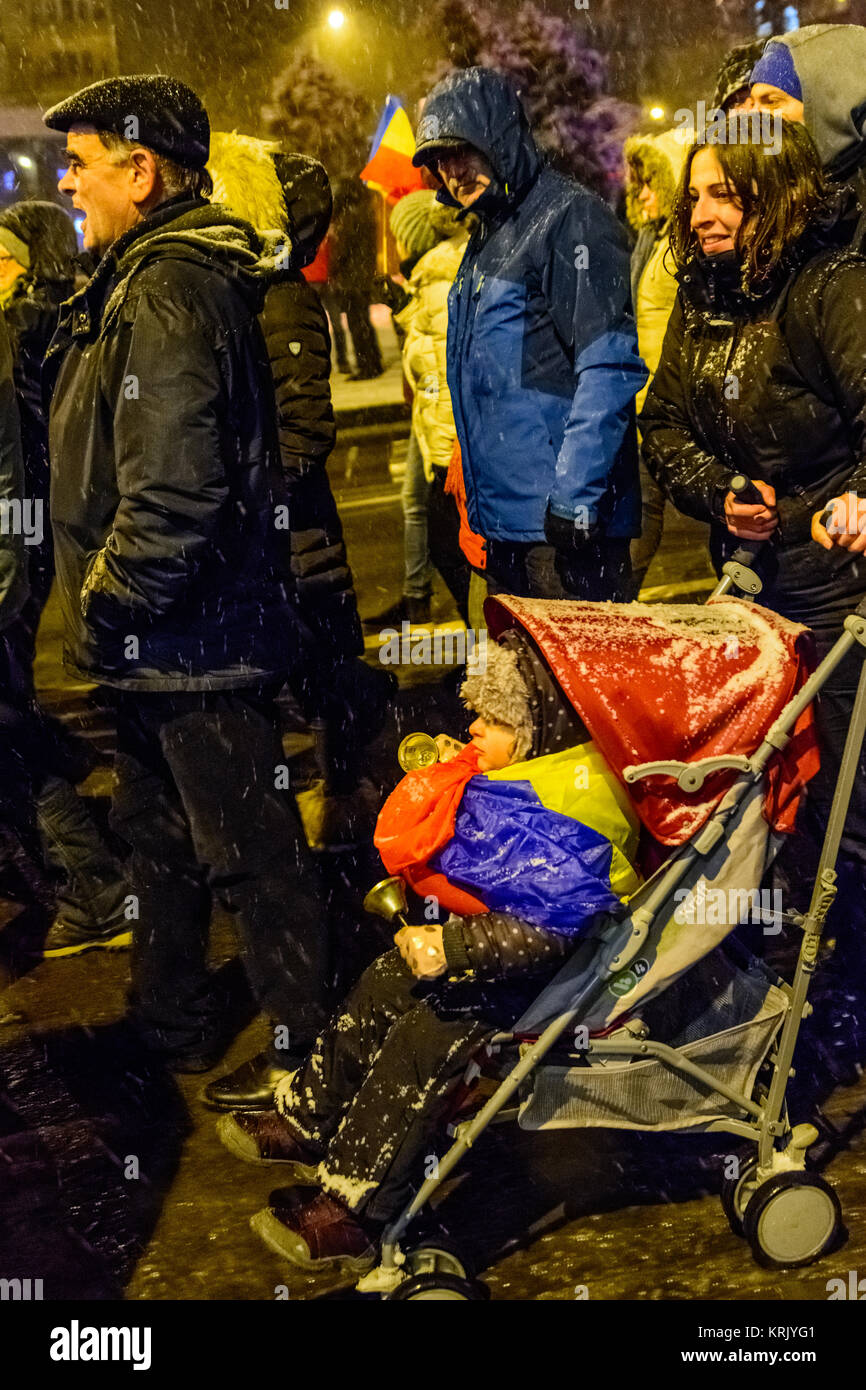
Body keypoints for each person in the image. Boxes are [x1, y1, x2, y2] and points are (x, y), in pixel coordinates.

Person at [42, 75, 330, 1074]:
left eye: (79, 163)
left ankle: (309, 1060)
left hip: (192, 640)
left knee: (251, 856)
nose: (66, 183)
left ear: (141, 172)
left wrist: (108, 596)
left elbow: (173, 491)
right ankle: (170, 1025)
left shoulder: (167, 287)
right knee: (159, 839)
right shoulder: (140, 276)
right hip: (159, 643)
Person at [216, 639, 640, 1274]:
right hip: (494, 959)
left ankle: (356, 1206)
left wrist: (451, 946)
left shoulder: (566, 816)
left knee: (425, 1039)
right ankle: (311, 1116)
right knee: (385, 980)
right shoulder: (527, 786)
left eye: (494, 721)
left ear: (539, 740)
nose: (474, 728)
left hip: (539, 979)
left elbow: (551, 931)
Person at [640, 121, 866, 975]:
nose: (701, 213)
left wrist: (855, 502)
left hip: (841, 593)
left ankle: (844, 985)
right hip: (751, 594)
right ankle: (787, 969)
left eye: (724, 195)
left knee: (848, 803)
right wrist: (722, 493)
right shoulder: (703, 297)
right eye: (694, 195)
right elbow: (663, 425)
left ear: (778, 197)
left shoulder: (831, 288)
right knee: (766, 798)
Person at [411, 67, 647, 602]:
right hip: (508, 529)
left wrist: (575, 497)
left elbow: (608, 367)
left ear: (496, 136)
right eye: (439, 160)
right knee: (517, 661)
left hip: (563, 531)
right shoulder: (488, 234)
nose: (452, 171)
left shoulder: (570, 219)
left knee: (577, 660)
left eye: (461, 150)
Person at [0, 199, 130, 956]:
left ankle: (96, 884)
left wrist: (18, 560)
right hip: (29, 536)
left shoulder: (29, 320)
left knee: (10, 734)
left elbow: (20, 459)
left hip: (25, 538)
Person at [364, 190, 472, 628]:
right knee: (424, 511)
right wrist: (405, 307)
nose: (397, 244)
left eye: (400, 234)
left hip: (443, 430)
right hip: (430, 418)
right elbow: (430, 344)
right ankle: (420, 598)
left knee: (450, 537)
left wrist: (443, 453)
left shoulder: (439, 275)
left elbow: (445, 364)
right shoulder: (429, 276)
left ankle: (476, 630)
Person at [623, 130, 690, 593]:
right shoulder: (653, 240)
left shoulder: (684, 243)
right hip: (645, 395)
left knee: (644, 504)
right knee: (640, 503)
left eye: (652, 184)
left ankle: (620, 600)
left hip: (667, 400)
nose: (643, 195)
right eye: (638, 186)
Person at [747, 24, 866, 248]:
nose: (753, 118)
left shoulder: (852, 211)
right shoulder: (780, 197)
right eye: (752, 103)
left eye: (771, 102)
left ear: (828, 107)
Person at [328, 179, 384, 381]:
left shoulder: (349, 219)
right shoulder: (365, 214)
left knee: (357, 324)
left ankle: (366, 365)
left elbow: (342, 252)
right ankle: (374, 361)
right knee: (364, 322)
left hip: (352, 280)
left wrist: (333, 268)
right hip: (363, 276)